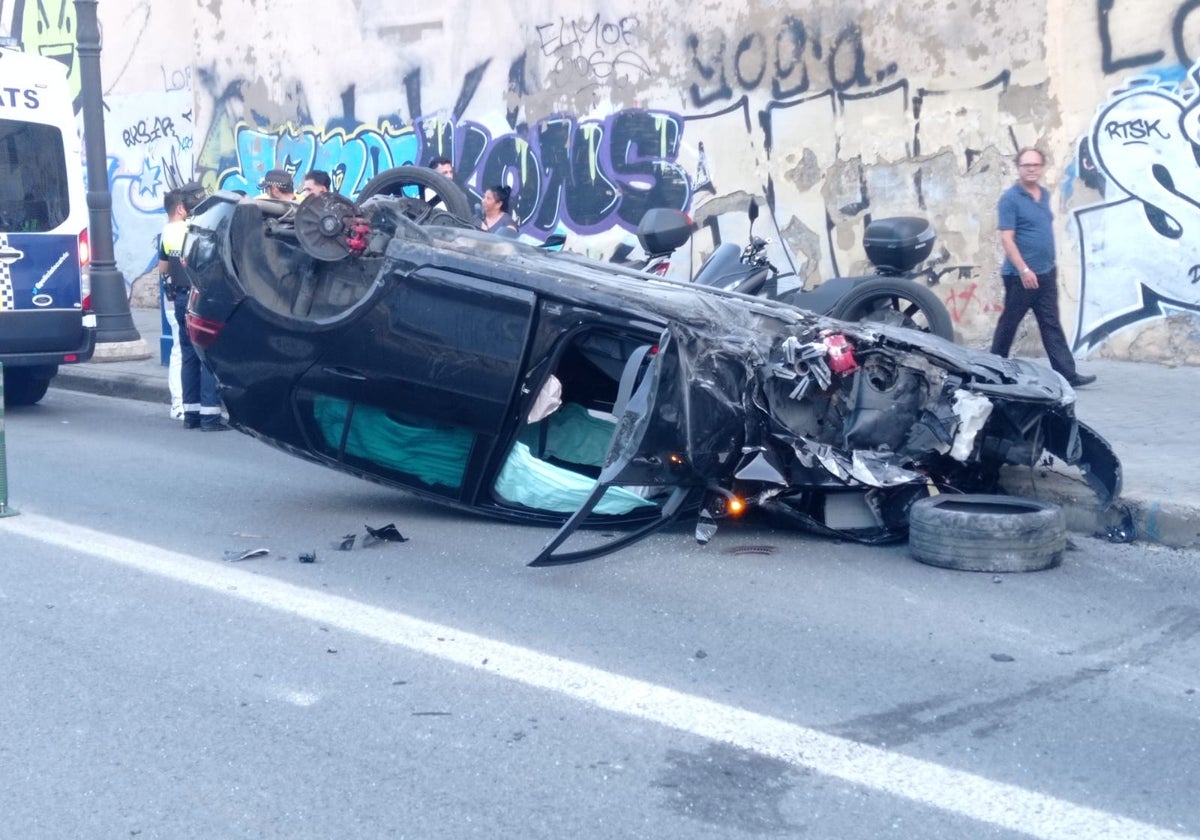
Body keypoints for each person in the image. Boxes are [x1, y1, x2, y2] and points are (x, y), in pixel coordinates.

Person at [990, 147, 1095, 388]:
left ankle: (1067, 375)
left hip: (1046, 272)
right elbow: (1007, 239)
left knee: (1051, 324)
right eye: (1026, 165)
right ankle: (992, 370)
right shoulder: (1010, 199)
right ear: (1018, 168)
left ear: (1041, 168)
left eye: (1035, 165)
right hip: (1021, 276)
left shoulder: (1044, 195)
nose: (1031, 169)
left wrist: (1043, 267)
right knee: (1009, 324)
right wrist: (1024, 270)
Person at [158, 189, 230, 431]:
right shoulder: (196, 227)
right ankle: (210, 416)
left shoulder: (167, 232)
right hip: (200, 297)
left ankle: (191, 414)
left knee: (188, 354)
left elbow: (163, 268)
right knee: (207, 354)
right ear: (183, 207)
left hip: (180, 297)